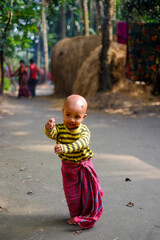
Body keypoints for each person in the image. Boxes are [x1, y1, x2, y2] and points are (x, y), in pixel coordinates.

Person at [44, 94, 104, 229]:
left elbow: (82, 143)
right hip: (68, 167)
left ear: (84, 117)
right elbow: (52, 134)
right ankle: (74, 215)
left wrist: (65, 148)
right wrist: (49, 128)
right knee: (71, 191)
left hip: (84, 164)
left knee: (87, 190)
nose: (71, 120)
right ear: (63, 112)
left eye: (77, 117)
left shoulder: (84, 131)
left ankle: (88, 211)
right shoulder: (60, 128)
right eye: (68, 115)